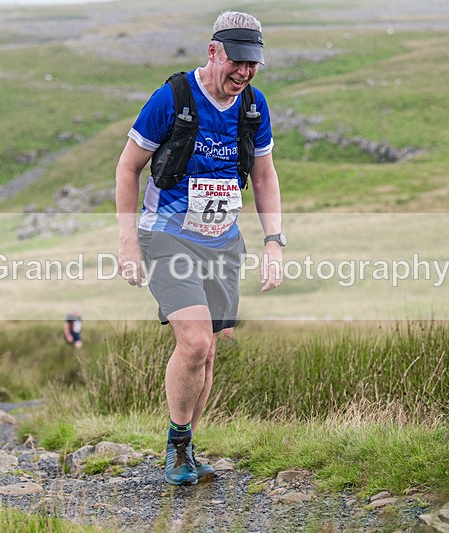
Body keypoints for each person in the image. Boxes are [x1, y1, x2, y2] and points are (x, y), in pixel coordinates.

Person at [115, 11, 284, 486]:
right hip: (167, 234)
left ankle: (187, 445)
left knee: (208, 351)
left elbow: (265, 176)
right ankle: (176, 447)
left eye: (253, 65)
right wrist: (128, 241)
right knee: (193, 342)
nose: (244, 73)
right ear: (213, 51)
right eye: (237, 62)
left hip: (223, 242)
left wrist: (274, 242)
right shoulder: (173, 98)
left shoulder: (254, 106)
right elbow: (127, 168)